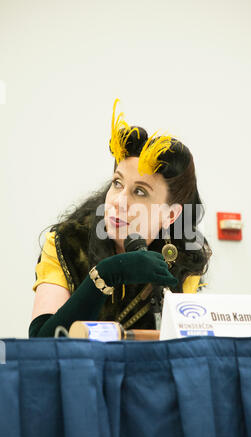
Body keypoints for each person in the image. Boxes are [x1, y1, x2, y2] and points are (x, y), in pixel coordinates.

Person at [29, 99, 212, 338]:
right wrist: (105, 275)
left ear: (170, 215)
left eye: (140, 191)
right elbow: (42, 341)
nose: (118, 201)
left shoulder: (183, 255)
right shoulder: (66, 242)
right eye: (117, 183)